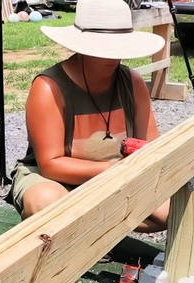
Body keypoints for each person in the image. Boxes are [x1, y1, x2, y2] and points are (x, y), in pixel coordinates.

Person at [10, 0, 172, 232]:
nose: (114, 55)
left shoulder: (132, 82)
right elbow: (51, 165)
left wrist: (193, 153)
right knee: (46, 202)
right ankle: (83, 230)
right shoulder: (49, 87)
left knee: (170, 209)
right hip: (57, 180)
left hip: (115, 176)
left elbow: (151, 146)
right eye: (104, 46)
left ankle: (89, 231)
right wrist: (116, 172)